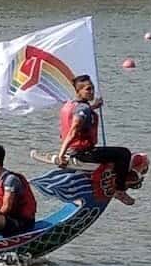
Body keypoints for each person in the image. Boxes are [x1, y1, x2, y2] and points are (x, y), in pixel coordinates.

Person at [57, 75, 136, 206]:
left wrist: (93, 107)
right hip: (82, 153)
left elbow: (81, 112)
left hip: (75, 150)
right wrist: (61, 154)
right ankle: (119, 189)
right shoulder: (83, 109)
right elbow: (74, 130)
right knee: (124, 153)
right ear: (79, 91)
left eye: (93, 88)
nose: (92, 92)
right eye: (88, 89)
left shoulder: (72, 105)